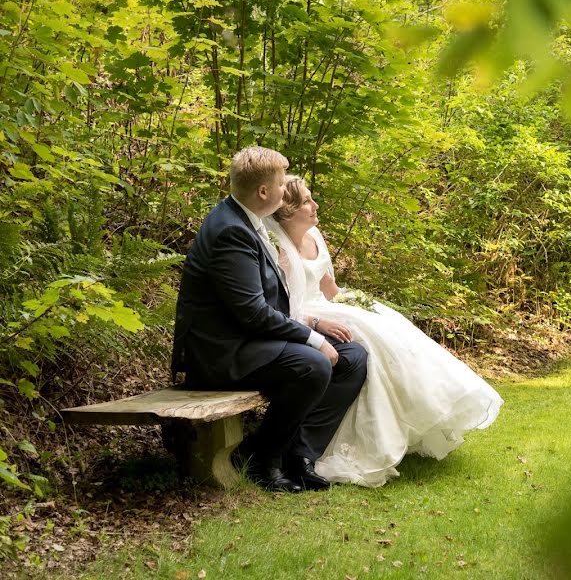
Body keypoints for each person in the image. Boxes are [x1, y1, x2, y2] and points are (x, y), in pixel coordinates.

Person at [263, 176, 503, 487]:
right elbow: (286, 307)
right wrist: (324, 321)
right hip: (304, 315)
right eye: (307, 201)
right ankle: (346, 442)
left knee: (387, 328)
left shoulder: (315, 236)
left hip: (328, 305)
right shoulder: (278, 248)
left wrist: (360, 304)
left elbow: (330, 289)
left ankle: (419, 410)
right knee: (367, 344)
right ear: (289, 210)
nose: (315, 205)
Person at [171, 147, 368, 492]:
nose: (285, 189)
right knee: (313, 364)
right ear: (263, 192)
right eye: (280, 184)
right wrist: (314, 339)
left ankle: (299, 455)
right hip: (222, 352)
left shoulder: (249, 220)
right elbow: (253, 312)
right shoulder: (230, 231)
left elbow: (270, 304)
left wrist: (313, 328)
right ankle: (264, 459)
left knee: (353, 358)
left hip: (250, 339)